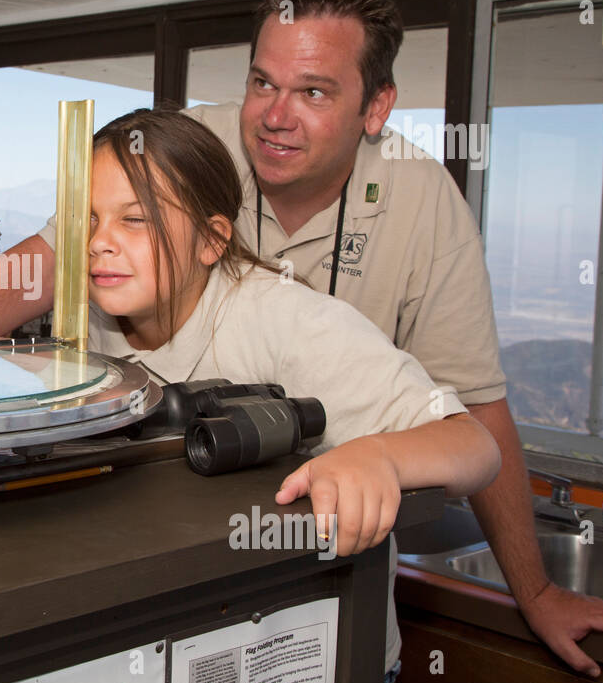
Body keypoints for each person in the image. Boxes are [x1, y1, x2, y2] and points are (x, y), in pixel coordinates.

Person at [0, 0, 603, 683]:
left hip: (314, 630)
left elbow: (475, 417)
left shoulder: (402, 221)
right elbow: (33, 272)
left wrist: (530, 589)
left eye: (314, 91)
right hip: (184, 616)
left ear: (375, 108)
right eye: (263, 82)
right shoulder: (175, 154)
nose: (275, 115)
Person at [82, 107, 500, 552]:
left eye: (134, 219)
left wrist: (379, 456)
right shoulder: (87, 313)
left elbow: (475, 446)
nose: (97, 242)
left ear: (211, 240)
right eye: (88, 218)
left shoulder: (290, 321)